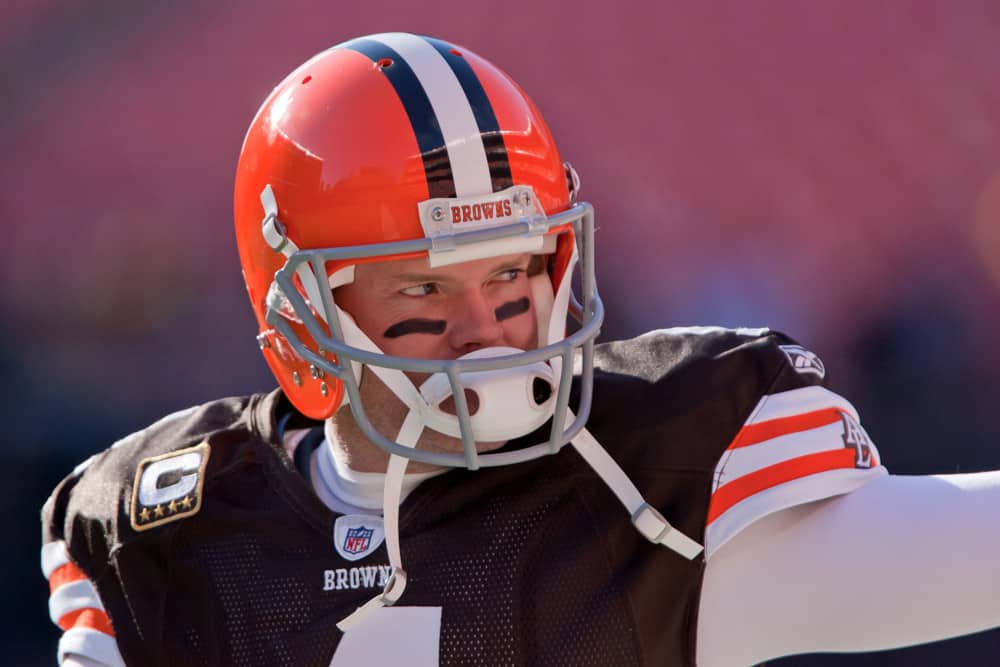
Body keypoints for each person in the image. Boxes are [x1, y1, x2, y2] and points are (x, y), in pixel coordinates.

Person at [40, 32, 1000, 667]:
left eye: (512, 277)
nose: (488, 327)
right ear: (303, 313)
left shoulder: (646, 485)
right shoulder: (162, 529)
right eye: (423, 287)